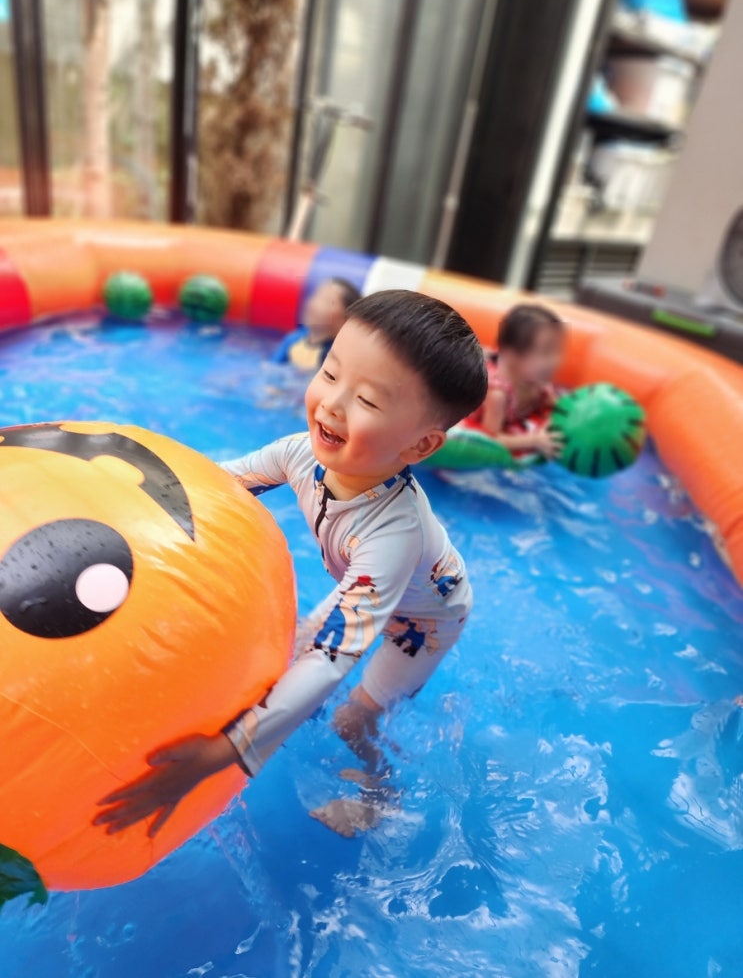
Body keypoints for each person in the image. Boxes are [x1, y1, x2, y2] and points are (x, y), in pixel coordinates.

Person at [94, 290, 488, 839]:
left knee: (351, 719)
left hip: (426, 619)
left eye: (367, 401)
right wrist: (117, 490)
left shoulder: (392, 537)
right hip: (366, 584)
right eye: (330, 373)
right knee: (294, 654)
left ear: (421, 445)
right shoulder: (299, 454)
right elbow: (213, 485)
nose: (332, 404)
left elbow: (332, 659)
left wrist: (221, 753)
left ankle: (382, 795)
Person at [465, 304, 565, 460]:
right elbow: (489, 440)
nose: (555, 361)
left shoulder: (537, 380)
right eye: (546, 352)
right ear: (513, 356)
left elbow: (558, 406)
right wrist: (534, 440)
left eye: (557, 350)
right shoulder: (497, 395)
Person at [272, 277, 361, 371]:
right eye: (315, 296)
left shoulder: (337, 356)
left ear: (346, 320)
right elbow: (272, 369)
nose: (314, 304)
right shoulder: (292, 340)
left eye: (327, 301)